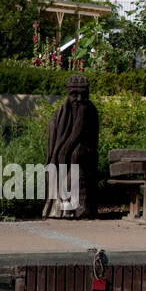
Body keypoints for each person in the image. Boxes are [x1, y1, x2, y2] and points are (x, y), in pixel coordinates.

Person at [43, 74, 99, 218]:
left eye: (83, 94)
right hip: (61, 158)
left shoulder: (90, 111)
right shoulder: (60, 114)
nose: (79, 99)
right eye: (75, 94)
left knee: (75, 166)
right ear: (68, 94)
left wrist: (79, 151)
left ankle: (77, 208)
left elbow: (93, 141)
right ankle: (59, 207)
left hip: (83, 157)